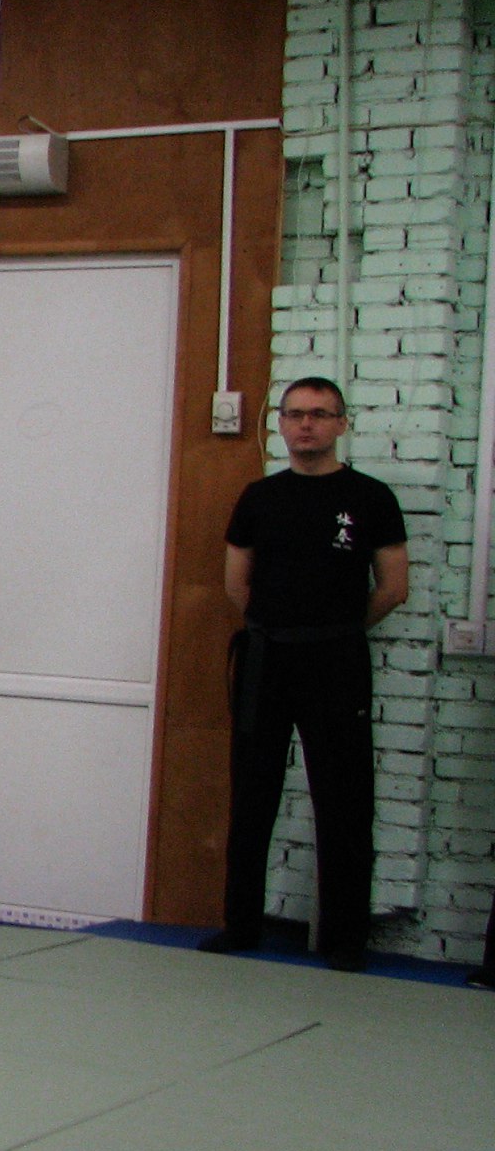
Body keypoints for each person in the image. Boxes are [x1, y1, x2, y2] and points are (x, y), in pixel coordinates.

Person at [201, 376, 406, 973]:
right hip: (268, 657)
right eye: (294, 414)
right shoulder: (259, 498)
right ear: (281, 425)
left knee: (344, 799)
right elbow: (237, 584)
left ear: (342, 423)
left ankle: (345, 939)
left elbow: (393, 588)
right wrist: (281, 628)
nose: (306, 424)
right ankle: (241, 925)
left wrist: (334, 630)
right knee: (252, 793)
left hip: (336, 658)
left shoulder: (370, 497)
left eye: (319, 413)